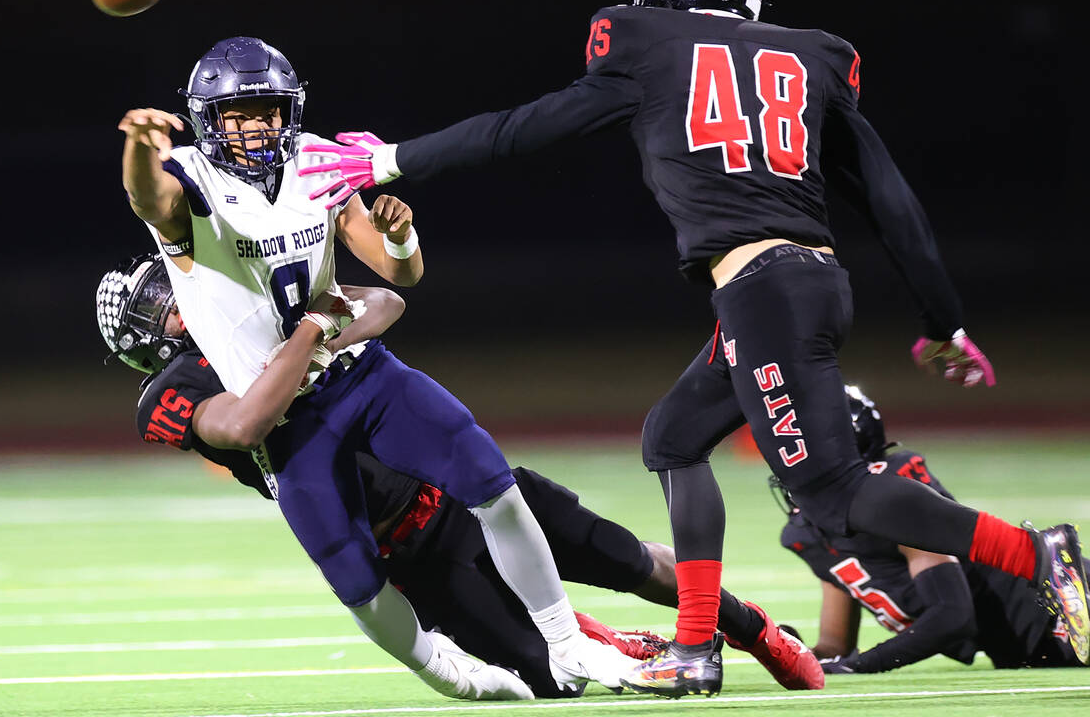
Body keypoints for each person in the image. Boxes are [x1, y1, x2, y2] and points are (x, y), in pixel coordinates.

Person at [298, 0, 1090, 696]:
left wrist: (394, 157)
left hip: (765, 292)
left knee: (834, 493)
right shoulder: (811, 56)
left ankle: (1034, 553)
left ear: (663, 3)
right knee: (673, 437)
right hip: (796, 283)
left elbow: (526, 127)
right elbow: (888, 196)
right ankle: (696, 647)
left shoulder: (645, 43)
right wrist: (942, 319)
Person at [115, 35, 643, 698]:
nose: (257, 126)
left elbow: (399, 274)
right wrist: (139, 143)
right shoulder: (191, 180)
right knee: (358, 582)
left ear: (290, 111)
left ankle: (567, 642)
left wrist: (400, 234)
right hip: (286, 416)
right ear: (207, 119)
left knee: (489, 478)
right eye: (240, 113)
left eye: (268, 110)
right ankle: (453, 675)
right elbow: (147, 197)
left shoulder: (314, 161)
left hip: (356, 371)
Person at [95, 253, 825, 696]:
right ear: (136, 343)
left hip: (453, 490)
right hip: (408, 555)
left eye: (169, 288)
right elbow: (246, 419)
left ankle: (750, 627)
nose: (174, 305)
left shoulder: (250, 313)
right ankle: (622, 643)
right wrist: (313, 337)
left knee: (630, 559)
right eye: (153, 307)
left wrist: (318, 326)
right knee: (546, 684)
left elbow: (382, 300)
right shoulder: (171, 393)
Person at [775, 386, 1086, 674]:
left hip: (1059, 614)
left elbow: (952, 614)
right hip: (1019, 649)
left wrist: (866, 665)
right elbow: (836, 647)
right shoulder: (809, 534)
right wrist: (797, 654)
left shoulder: (888, 503)